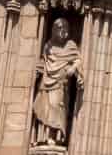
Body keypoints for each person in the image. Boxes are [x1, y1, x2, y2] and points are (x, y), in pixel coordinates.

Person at [32, 16, 81, 147]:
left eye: (65, 29)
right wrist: (40, 67)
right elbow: (44, 60)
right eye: (60, 29)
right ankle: (43, 135)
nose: (63, 32)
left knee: (56, 107)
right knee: (44, 106)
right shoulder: (48, 45)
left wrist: (73, 69)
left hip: (60, 83)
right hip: (46, 81)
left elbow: (77, 60)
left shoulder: (70, 46)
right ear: (54, 30)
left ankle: (54, 136)